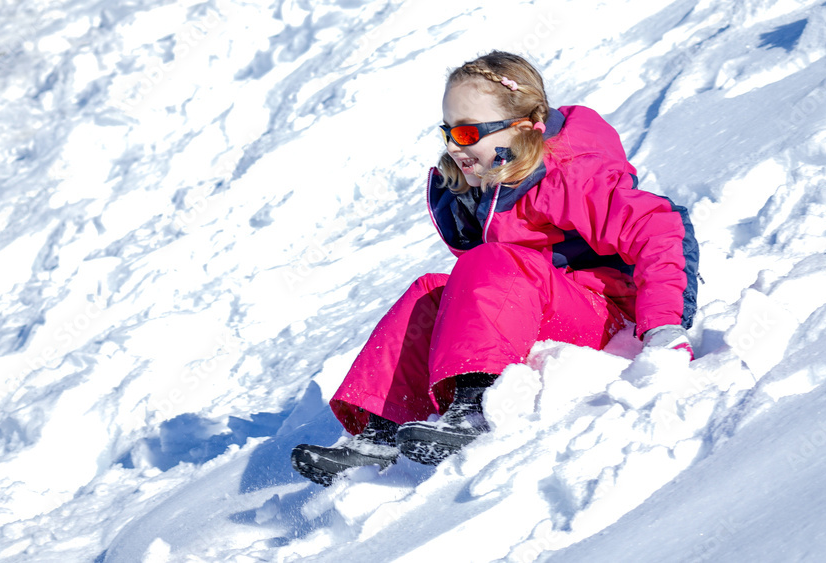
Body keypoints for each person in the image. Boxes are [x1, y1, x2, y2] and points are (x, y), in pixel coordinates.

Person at [291, 51, 698, 486]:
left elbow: (660, 226)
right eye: (448, 132)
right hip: (547, 305)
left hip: (608, 316)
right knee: (431, 291)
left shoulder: (570, 176)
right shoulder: (497, 178)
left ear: (521, 128)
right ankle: (382, 430)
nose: (453, 146)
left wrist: (663, 324)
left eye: (468, 133)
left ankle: (477, 405)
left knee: (488, 262)